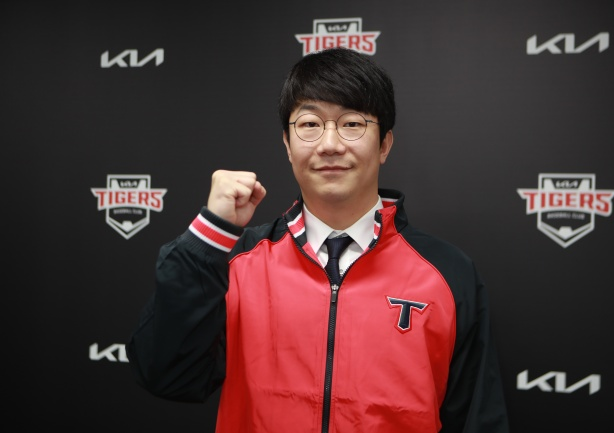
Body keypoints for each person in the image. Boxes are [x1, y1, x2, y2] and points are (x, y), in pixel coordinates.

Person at [127, 47, 510, 433]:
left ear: (384, 145)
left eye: (351, 123)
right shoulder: (237, 263)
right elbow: (166, 374)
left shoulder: (447, 274)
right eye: (309, 124)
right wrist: (209, 236)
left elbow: (478, 420)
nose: (329, 144)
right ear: (287, 144)